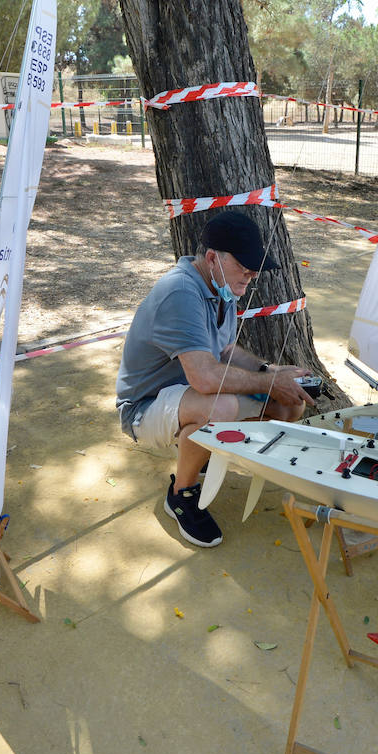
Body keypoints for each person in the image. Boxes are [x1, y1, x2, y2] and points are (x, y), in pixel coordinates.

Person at [115, 209, 313, 547]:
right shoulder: (180, 292)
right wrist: (267, 383)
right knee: (219, 405)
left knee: (288, 405)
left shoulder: (220, 287)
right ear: (211, 258)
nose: (251, 275)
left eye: (253, 269)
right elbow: (206, 379)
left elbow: (224, 351)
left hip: (184, 396)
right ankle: (181, 494)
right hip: (143, 409)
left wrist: (269, 373)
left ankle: (201, 453)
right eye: (244, 266)